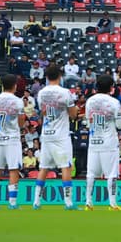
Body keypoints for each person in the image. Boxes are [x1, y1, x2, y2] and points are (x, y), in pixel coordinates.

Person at [34, 63, 78, 209]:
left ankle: (36, 201)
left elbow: (43, 112)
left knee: (44, 167)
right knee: (65, 166)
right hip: (61, 135)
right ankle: (68, 201)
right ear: (60, 76)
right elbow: (73, 114)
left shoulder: (41, 93)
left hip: (47, 133)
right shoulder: (65, 92)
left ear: (46, 76)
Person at [84, 74, 121, 210]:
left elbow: (88, 122)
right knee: (111, 174)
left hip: (94, 141)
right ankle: (112, 203)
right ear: (111, 87)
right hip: (109, 142)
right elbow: (119, 125)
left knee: (91, 173)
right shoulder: (114, 102)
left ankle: (88, 202)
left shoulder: (90, 101)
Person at [0, 74, 25, 209]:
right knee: (13, 170)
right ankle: (12, 202)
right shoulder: (18, 101)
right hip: (12, 139)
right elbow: (21, 122)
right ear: (14, 85)